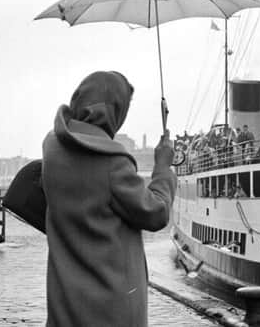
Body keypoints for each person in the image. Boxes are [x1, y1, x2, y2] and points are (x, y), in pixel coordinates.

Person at [41, 71, 176, 327]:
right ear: (115, 112)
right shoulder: (112, 165)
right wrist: (162, 169)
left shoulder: (52, 148)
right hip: (111, 312)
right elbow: (156, 213)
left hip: (65, 309)